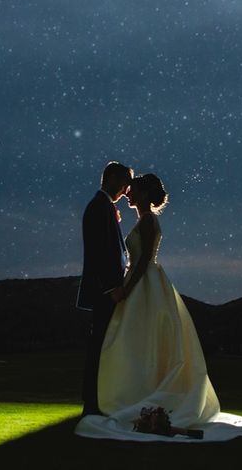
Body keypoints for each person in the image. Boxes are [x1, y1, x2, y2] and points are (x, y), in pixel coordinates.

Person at [75, 173, 242, 442]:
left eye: (132, 189)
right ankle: (129, 393)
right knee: (131, 342)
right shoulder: (141, 219)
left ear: (141, 194)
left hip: (144, 285)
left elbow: (143, 262)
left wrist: (127, 289)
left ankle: (139, 396)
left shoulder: (149, 221)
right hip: (139, 284)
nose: (128, 192)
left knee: (144, 339)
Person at [77, 161, 134, 416]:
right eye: (123, 182)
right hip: (106, 291)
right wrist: (110, 288)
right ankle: (92, 403)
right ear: (110, 178)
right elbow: (99, 253)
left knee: (106, 346)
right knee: (100, 346)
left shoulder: (104, 207)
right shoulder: (99, 207)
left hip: (109, 290)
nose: (125, 189)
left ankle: (99, 401)